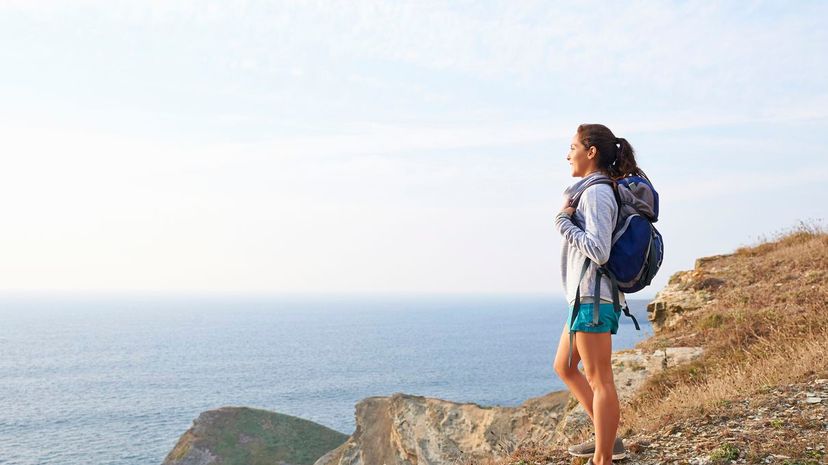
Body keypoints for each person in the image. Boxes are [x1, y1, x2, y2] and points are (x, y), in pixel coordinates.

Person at [552, 123, 649, 465]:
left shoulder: (596, 193)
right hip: (583, 298)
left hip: (593, 298)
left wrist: (563, 222)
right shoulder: (588, 190)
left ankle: (603, 457)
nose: (568, 154)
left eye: (572, 147)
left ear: (590, 152)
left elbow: (599, 249)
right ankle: (608, 439)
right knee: (564, 366)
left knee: (600, 378)